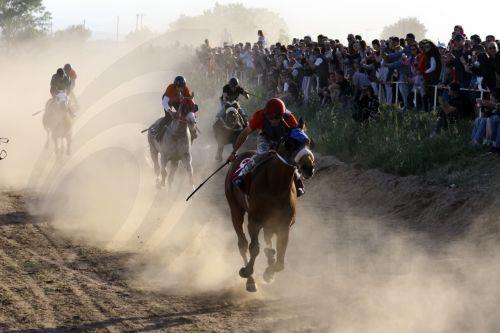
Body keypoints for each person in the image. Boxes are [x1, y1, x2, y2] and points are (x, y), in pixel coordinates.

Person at [227, 98, 306, 196]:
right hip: (265, 137)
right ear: (265, 114)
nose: (273, 120)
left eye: (277, 117)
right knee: (263, 153)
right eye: (270, 117)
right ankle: (242, 174)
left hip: (282, 139)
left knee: (289, 156)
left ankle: (298, 180)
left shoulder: (289, 118)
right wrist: (234, 152)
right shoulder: (259, 116)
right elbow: (244, 133)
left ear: (283, 115)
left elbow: (298, 135)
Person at [155, 76, 195, 140]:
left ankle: (192, 132)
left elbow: (191, 99)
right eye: (178, 87)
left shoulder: (185, 89)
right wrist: (170, 112)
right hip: (168, 102)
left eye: (182, 87)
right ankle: (157, 132)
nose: (180, 89)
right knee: (168, 117)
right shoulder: (170, 88)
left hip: (177, 101)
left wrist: (193, 108)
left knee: (185, 115)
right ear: (175, 85)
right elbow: (165, 102)